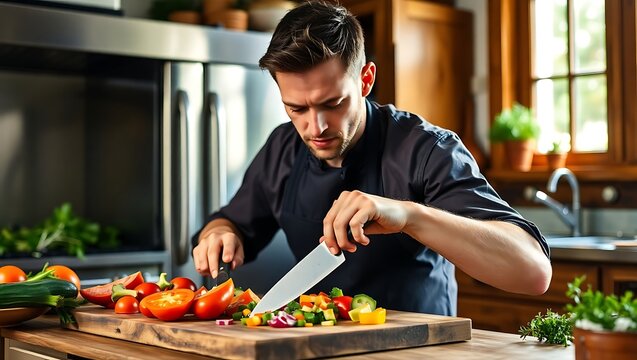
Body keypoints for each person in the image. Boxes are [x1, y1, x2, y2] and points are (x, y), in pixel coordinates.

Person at [192, 0, 551, 315]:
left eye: (332, 104)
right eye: (295, 107)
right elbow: (230, 222)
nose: (315, 126)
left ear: (366, 80)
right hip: (321, 346)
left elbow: (534, 272)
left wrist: (410, 215)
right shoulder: (283, 148)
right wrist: (219, 233)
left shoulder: (427, 150)